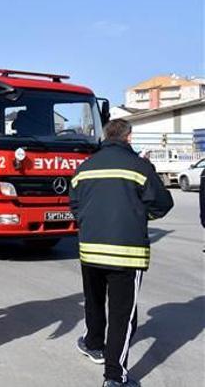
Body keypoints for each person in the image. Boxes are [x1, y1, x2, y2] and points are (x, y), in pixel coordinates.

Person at [69, 119, 173, 387]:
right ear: (129, 137)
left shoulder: (85, 167)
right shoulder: (139, 166)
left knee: (93, 300)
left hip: (90, 250)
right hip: (126, 253)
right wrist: (139, 215)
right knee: (122, 315)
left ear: (106, 136)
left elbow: (75, 206)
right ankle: (114, 377)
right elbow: (163, 203)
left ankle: (93, 343)